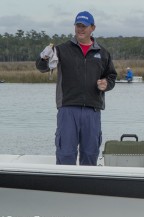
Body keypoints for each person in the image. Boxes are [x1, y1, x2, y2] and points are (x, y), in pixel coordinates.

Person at [36, 11, 117, 166]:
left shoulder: (103, 53)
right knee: (65, 154)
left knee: (90, 154)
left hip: (92, 111)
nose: (80, 29)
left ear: (92, 28)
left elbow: (111, 76)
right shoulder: (61, 49)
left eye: (84, 26)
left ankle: (87, 189)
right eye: (78, 26)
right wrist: (44, 57)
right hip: (67, 109)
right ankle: (63, 188)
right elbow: (42, 67)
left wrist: (106, 84)